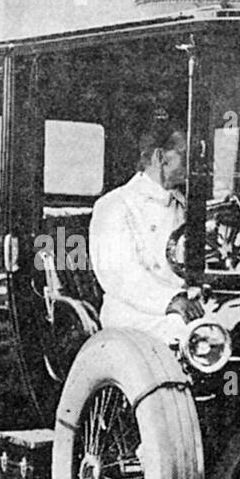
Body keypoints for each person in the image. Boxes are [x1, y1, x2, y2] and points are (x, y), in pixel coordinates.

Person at [89, 121, 201, 341]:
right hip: (134, 313)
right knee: (200, 334)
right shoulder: (115, 205)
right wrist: (170, 301)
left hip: (185, 302)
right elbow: (119, 275)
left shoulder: (183, 203)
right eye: (185, 156)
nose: (193, 166)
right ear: (160, 157)